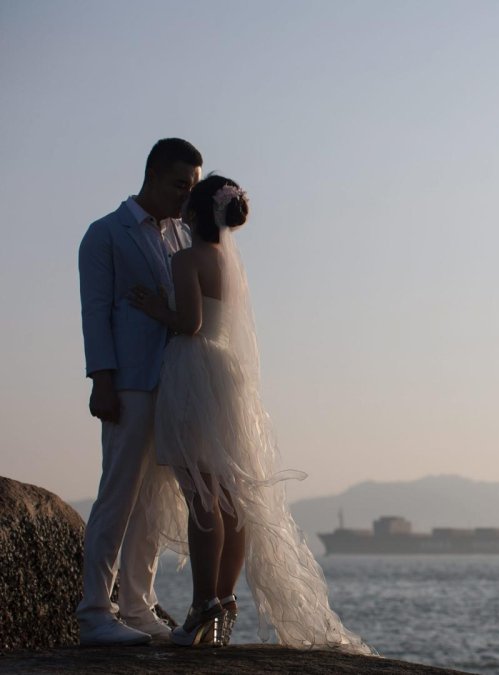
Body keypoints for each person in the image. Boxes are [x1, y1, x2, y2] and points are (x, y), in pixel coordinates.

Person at [130, 175, 372, 653]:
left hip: (194, 371)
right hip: (230, 377)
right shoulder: (228, 263)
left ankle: (201, 608)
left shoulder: (185, 258)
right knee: (231, 499)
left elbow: (190, 323)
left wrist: (154, 306)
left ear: (196, 215)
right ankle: (223, 602)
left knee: (202, 494)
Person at [77, 138, 201, 646]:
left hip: (171, 383)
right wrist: (101, 380)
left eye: (192, 187)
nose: (185, 196)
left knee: (155, 499)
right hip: (127, 382)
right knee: (118, 494)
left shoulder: (183, 236)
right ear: (151, 176)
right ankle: (93, 611)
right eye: (179, 185)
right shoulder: (105, 234)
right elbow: (94, 312)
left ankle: (137, 603)